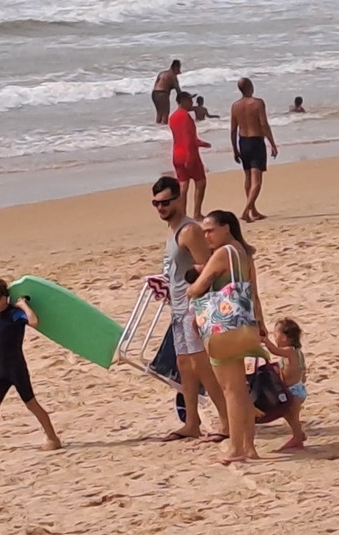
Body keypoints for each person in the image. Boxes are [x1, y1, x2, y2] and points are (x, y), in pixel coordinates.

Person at [186, 211, 271, 464]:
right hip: (243, 324)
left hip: (222, 327)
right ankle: (248, 446)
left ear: (226, 227)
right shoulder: (243, 254)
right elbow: (253, 291)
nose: (206, 235)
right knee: (240, 390)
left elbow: (196, 288)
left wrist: (193, 279)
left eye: (210, 230)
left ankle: (235, 447)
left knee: (230, 389)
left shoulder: (223, 254)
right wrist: (260, 322)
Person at [151, 176, 230, 443]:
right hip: (177, 307)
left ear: (178, 199)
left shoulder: (189, 230)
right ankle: (192, 422)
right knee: (185, 366)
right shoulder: (172, 230)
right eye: (156, 203)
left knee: (202, 366)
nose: (161, 208)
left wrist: (198, 307)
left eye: (165, 202)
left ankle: (226, 421)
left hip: (192, 307)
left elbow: (207, 268)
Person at [0, 278, 62, 452]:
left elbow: (33, 322)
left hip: (16, 368)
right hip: (2, 370)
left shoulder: (14, 313)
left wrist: (23, 306)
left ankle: (53, 438)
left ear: (4, 299)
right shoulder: (1, 315)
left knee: (31, 404)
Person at [230, 78, 279, 223]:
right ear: (251, 87)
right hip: (256, 141)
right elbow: (264, 124)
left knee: (247, 178)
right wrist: (272, 143)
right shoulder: (258, 103)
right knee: (256, 181)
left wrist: (234, 148)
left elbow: (233, 129)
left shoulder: (235, 106)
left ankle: (253, 210)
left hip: (243, 142)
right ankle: (246, 210)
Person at [264, 317, 308, 450]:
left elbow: (273, 350)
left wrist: (265, 340)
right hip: (297, 388)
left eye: (275, 334)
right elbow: (302, 370)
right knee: (290, 414)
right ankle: (299, 434)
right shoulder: (297, 353)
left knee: (291, 414)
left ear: (284, 337)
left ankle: (297, 436)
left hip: (294, 391)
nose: (274, 337)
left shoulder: (289, 351)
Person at [169, 91, 210, 219]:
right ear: (182, 101)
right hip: (189, 153)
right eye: (190, 100)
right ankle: (197, 213)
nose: (192, 102)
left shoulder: (172, 117)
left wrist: (201, 143)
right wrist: (190, 157)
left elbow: (180, 137)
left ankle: (182, 214)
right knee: (201, 182)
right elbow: (188, 138)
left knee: (183, 185)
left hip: (176, 154)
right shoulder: (186, 116)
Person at [152, 60, 182, 124]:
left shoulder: (162, 73)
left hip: (154, 93)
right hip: (163, 94)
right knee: (165, 114)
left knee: (159, 113)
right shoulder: (173, 76)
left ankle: (157, 128)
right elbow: (178, 91)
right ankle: (162, 130)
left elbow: (157, 84)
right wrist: (184, 98)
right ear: (176, 67)